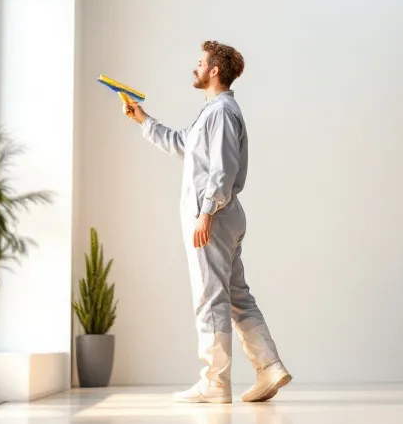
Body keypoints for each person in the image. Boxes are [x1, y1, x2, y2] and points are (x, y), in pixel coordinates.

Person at [123, 41, 292, 404]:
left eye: (200, 63)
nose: (195, 68)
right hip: (220, 215)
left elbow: (224, 169)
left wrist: (206, 212)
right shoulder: (214, 113)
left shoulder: (221, 113)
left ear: (214, 70)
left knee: (209, 297)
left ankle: (214, 382)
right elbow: (183, 144)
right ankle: (269, 367)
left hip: (213, 217)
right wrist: (144, 119)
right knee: (235, 297)